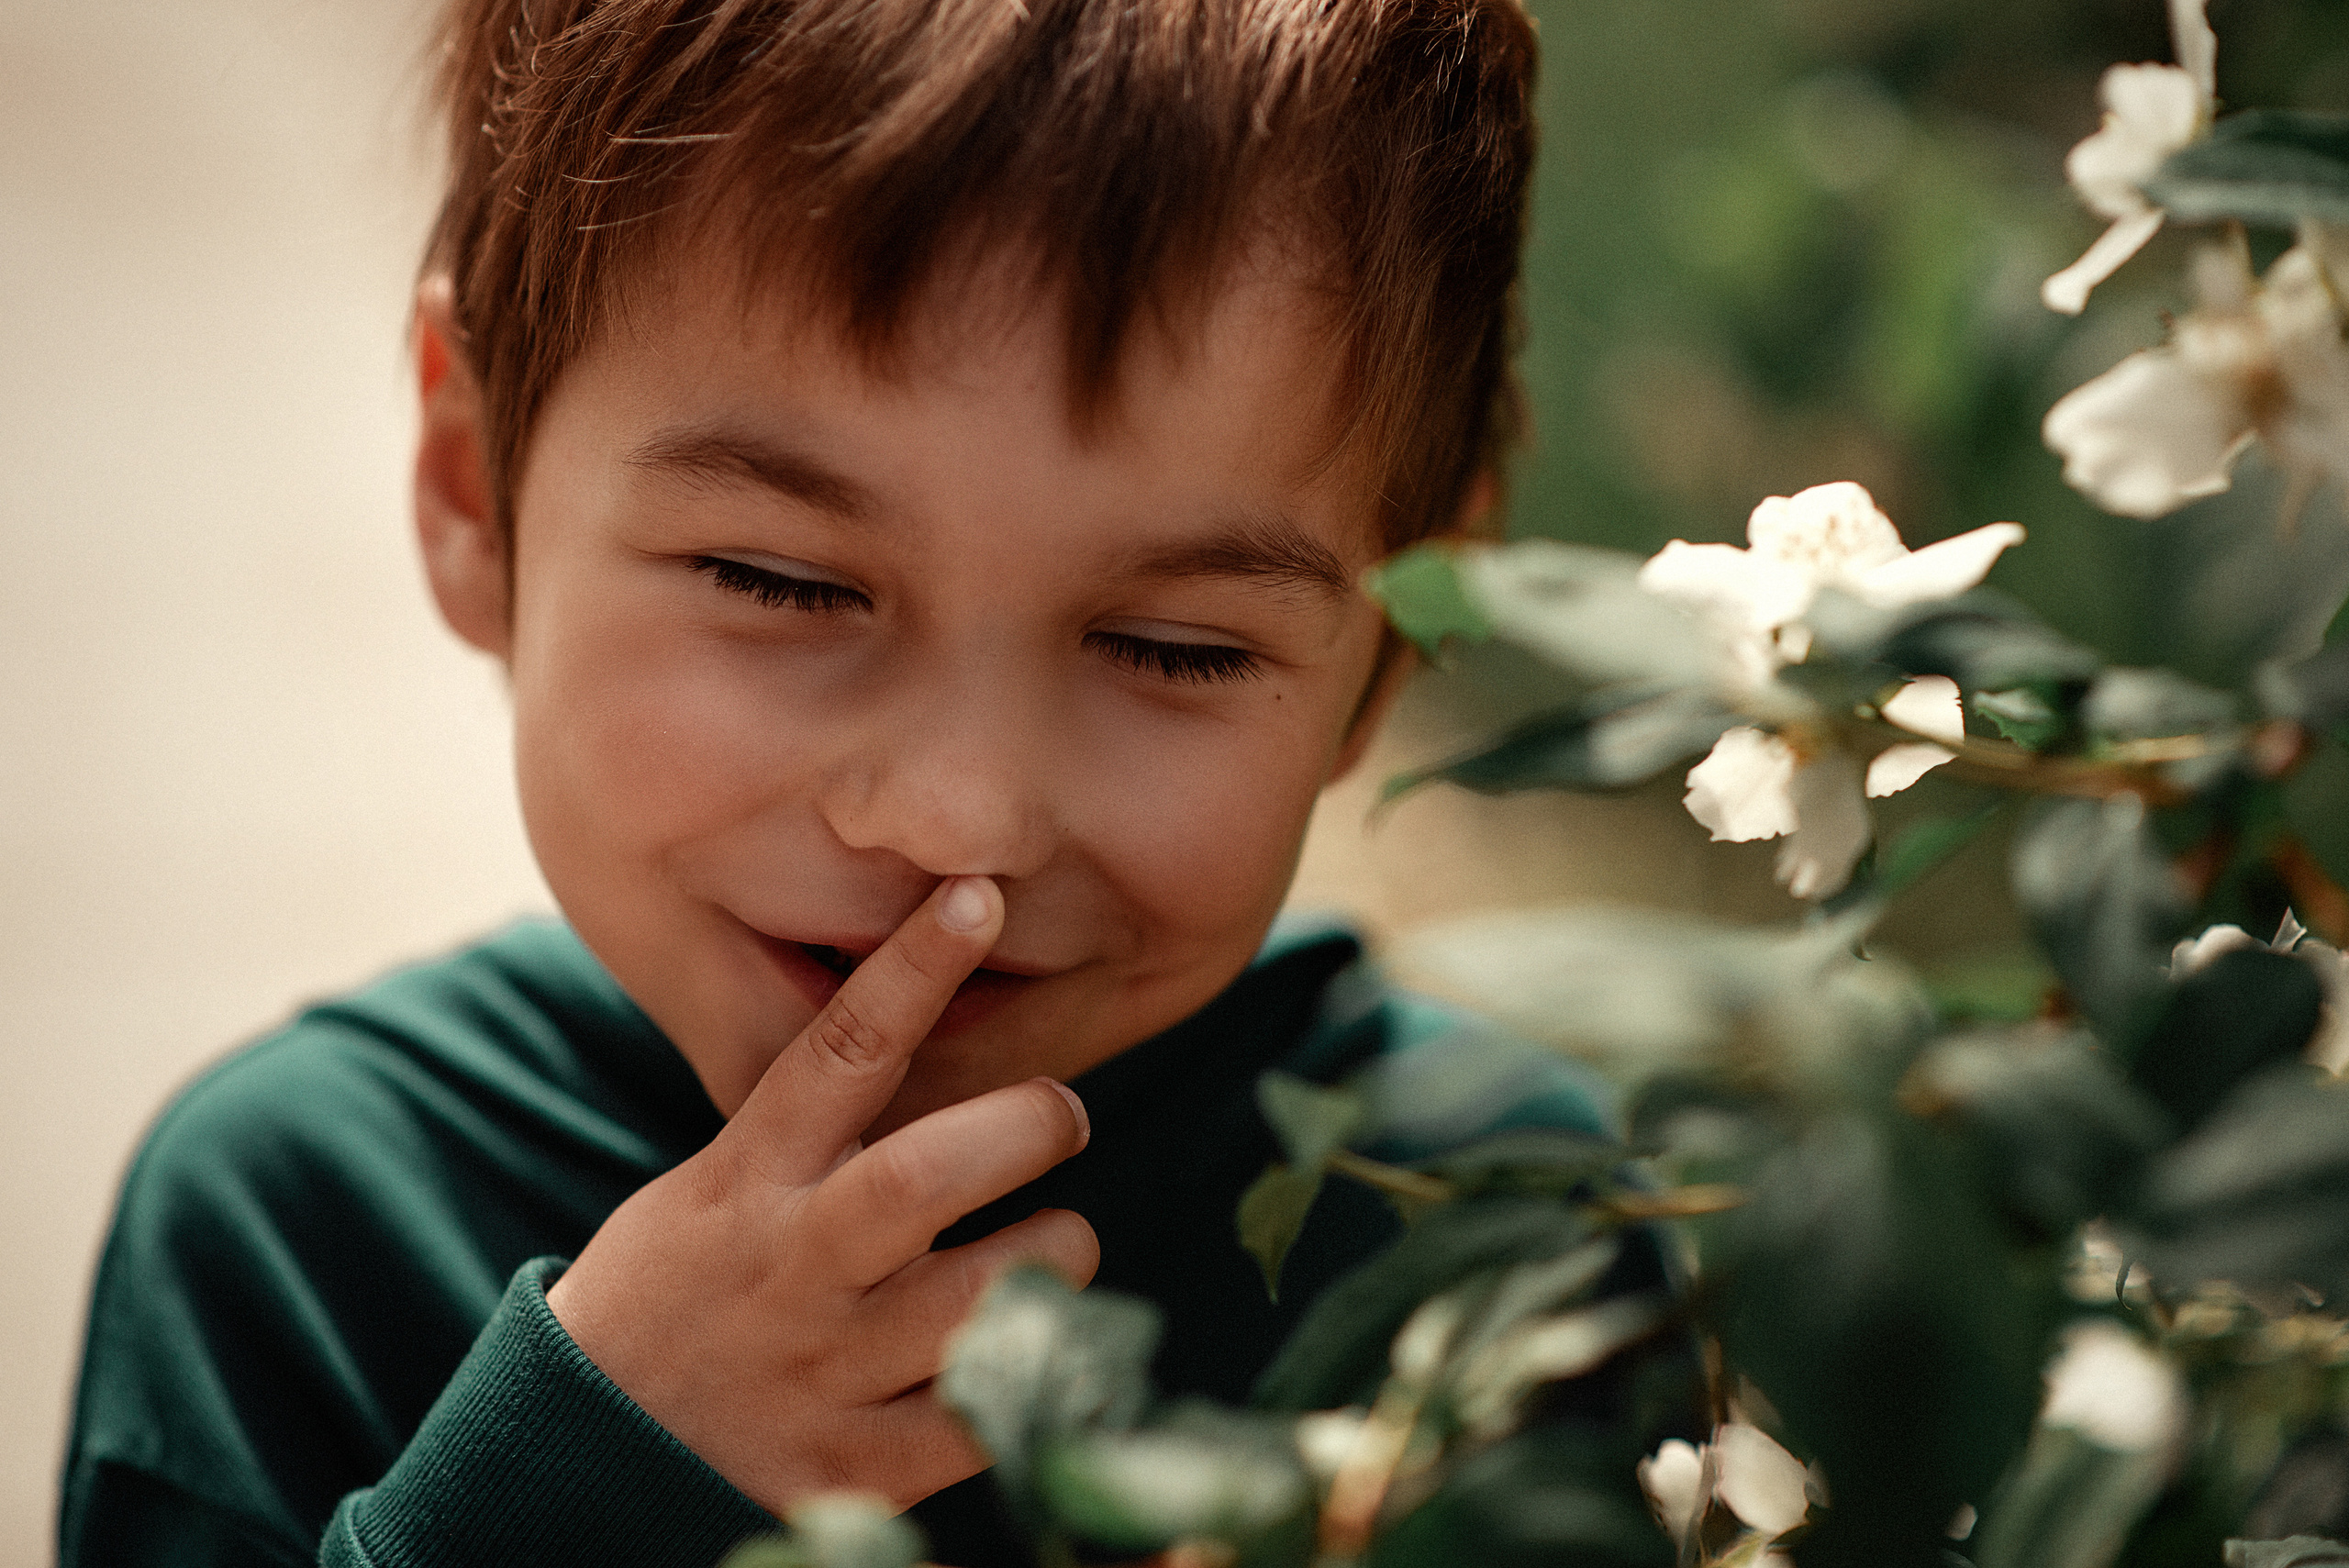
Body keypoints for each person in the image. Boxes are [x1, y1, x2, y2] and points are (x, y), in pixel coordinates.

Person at [60, 1, 1647, 1562]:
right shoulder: (298, 1232)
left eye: (1173, 649)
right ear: (475, 488)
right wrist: (576, 1480)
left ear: (1405, 627)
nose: (960, 819)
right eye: (781, 580)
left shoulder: (1509, 1227)